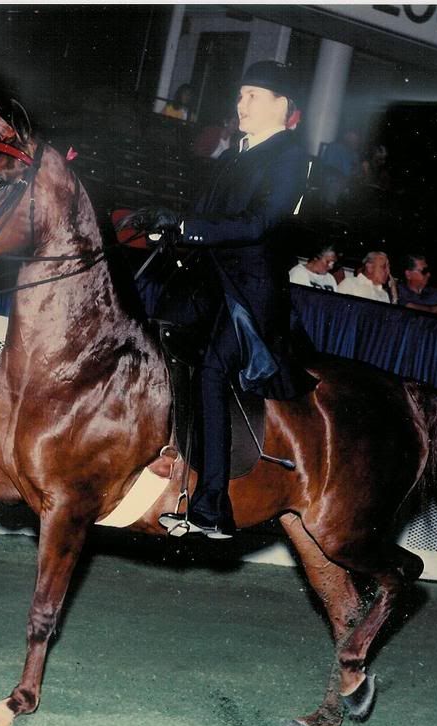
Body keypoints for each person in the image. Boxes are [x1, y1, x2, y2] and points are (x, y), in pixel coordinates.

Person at [121, 60, 316, 539]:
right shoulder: (236, 153)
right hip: (207, 282)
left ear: (281, 105)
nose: (240, 103)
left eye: (252, 95)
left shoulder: (291, 156)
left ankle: (213, 506)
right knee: (152, 338)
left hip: (248, 295)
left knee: (212, 369)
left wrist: (187, 227)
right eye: (241, 93)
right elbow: (206, 217)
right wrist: (165, 222)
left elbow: (257, 224)